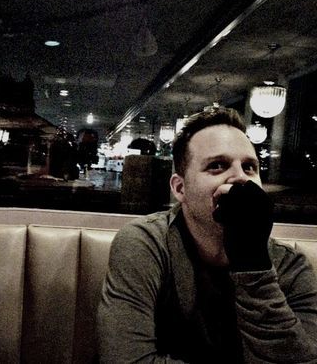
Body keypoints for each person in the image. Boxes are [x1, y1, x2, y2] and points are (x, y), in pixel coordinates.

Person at [98, 108, 317, 362]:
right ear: (180, 188)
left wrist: (252, 261)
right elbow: (126, 359)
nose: (239, 178)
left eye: (249, 167)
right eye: (217, 166)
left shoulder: (290, 264)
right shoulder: (145, 243)